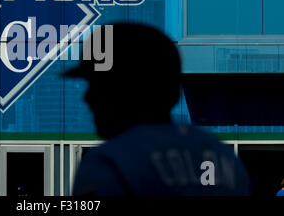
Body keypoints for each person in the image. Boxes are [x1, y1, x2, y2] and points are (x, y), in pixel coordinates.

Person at [64, 23, 252, 196]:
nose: (87, 97)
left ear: (127, 89)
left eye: (98, 85)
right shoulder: (226, 160)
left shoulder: (110, 164)